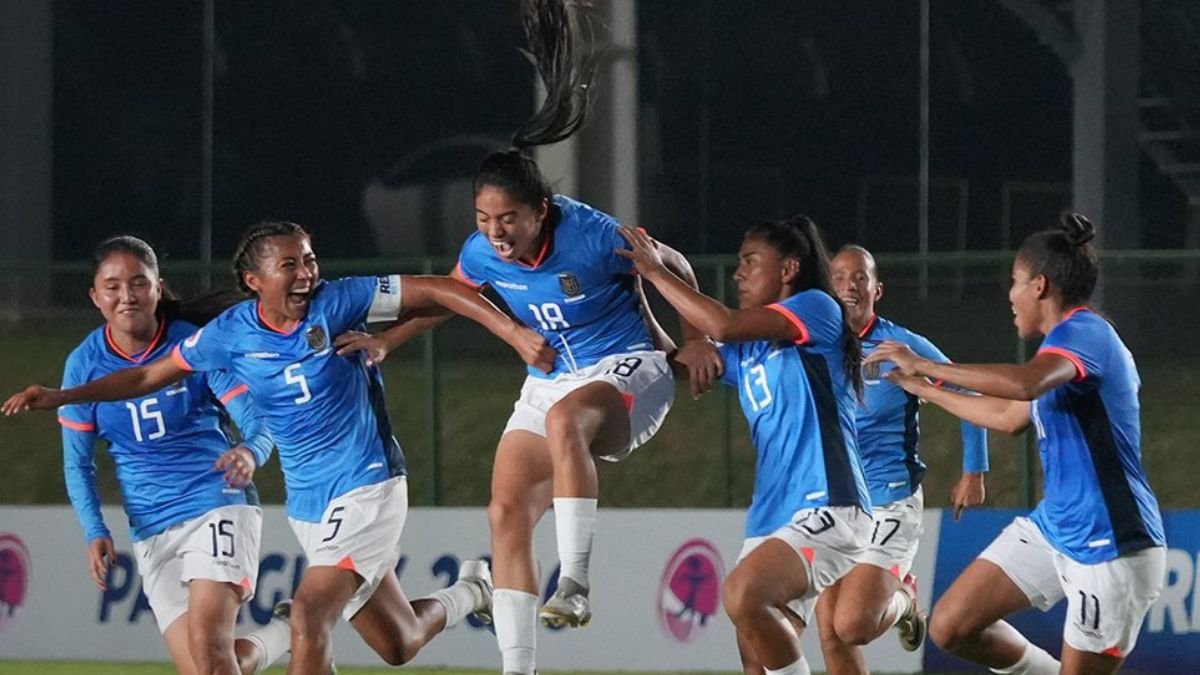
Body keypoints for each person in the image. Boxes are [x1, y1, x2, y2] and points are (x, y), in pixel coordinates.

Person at [4, 221, 555, 675]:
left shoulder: (339, 301)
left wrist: (511, 334)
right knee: (398, 642)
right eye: (290, 264)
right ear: (253, 280)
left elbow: (438, 289)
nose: (307, 273)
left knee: (309, 615)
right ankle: (472, 590)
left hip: (368, 484)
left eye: (309, 259)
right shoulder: (230, 334)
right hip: (310, 507)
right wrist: (64, 396)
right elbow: (147, 378)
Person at [333, 3, 703, 675]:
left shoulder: (592, 235)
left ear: (542, 210)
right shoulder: (483, 252)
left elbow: (672, 264)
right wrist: (391, 342)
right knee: (504, 508)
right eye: (484, 217)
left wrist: (701, 335)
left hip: (629, 370)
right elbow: (455, 297)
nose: (496, 231)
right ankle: (518, 669)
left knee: (566, 421)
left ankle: (577, 584)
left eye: (509, 218)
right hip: (552, 375)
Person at [865, 213, 1165, 675]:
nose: (1009, 295)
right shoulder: (1059, 351)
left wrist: (925, 363)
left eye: (1015, 281)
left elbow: (1024, 386)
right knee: (950, 626)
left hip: (1112, 544)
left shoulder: (1085, 333)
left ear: (1040, 286)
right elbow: (1008, 416)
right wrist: (924, 388)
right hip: (1057, 528)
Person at [617, 217, 871, 675]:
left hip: (828, 504)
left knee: (742, 594)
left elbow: (722, 324)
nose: (738, 274)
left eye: (750, 262)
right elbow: (687, 357)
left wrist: (659, 272)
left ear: (789, 269)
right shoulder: (750, 349)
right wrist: (641, 299)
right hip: (771, 518)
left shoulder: (817, 308)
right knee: (756, 664)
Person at [58, 235, 291, 675]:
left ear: (158, 288)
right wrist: (94, 530)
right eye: (112, 285)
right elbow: (77, 461)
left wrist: (250, 452)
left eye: (138, 283)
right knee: (209, 667)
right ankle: (289, 628)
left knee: (210, 651)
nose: (126, 296)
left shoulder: (195, 347)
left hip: (216, 504)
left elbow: (259, 422)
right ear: (95, 296)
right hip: (151, 529)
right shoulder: (83, 365)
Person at [814, 245, 990, 674]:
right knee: (830, 634)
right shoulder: (817, 344)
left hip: (890, 499)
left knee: (853, 624)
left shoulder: (902, 345)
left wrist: (975, 469)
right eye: (838, 278)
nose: (848, 287)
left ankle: (905, 599)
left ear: (878, 288)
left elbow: (965, 392)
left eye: (859, 278)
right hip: (833, 503)